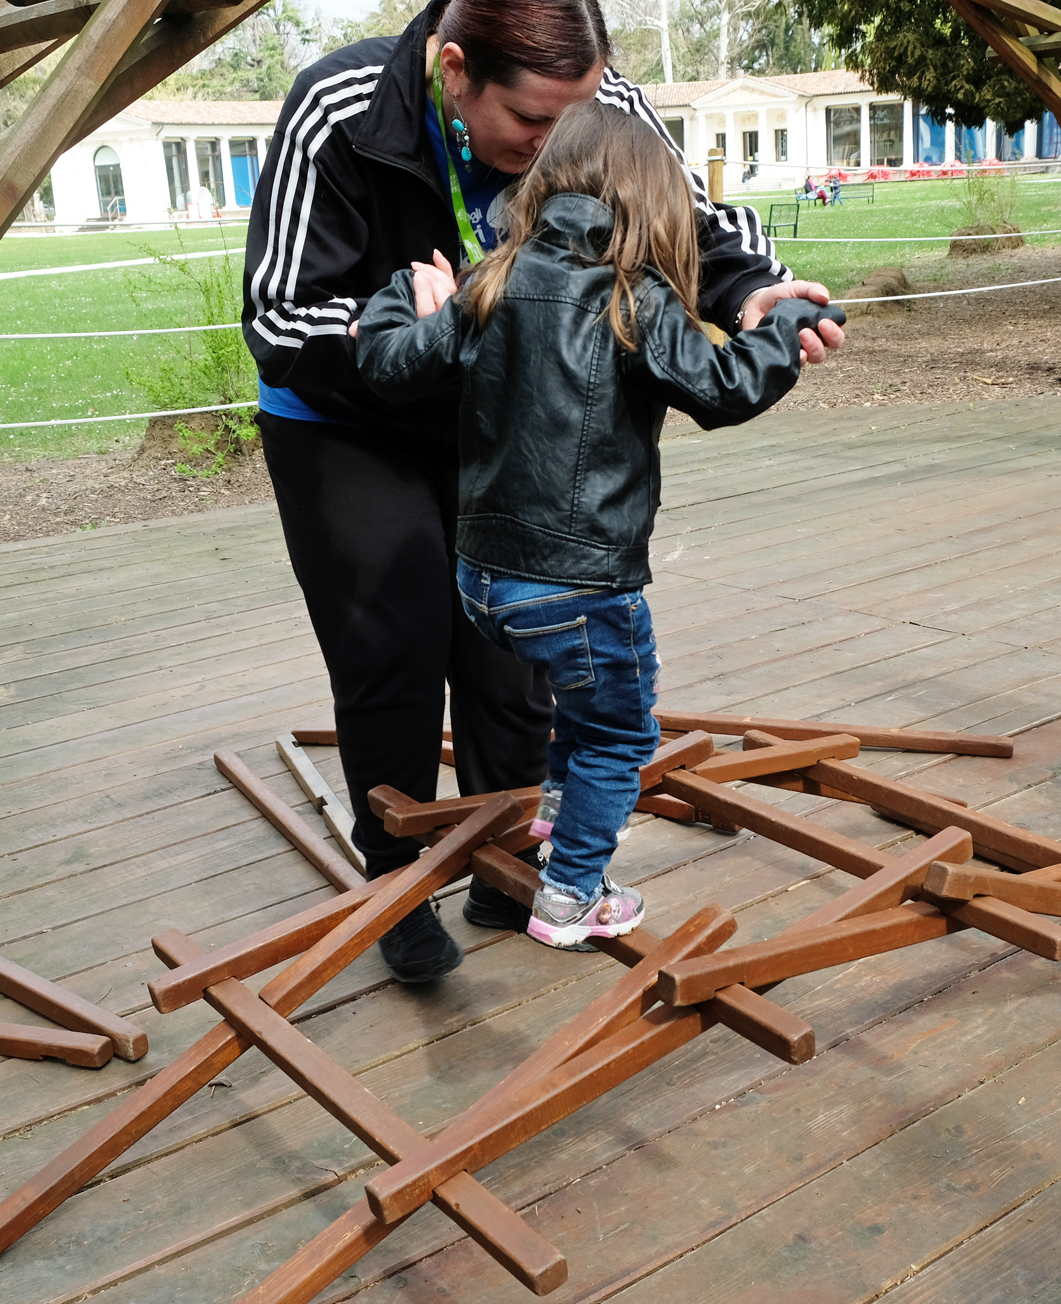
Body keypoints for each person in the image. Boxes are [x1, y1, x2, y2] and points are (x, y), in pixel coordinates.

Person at [243, 0, 844, 981]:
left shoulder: (594, 93)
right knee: (394, 640)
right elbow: (283, 314)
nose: (555, 142)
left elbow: (685, 213)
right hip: (353, 414)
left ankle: (510, 859)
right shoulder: (340, 106)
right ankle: (397, 880)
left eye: (574, 119)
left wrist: (753, 295)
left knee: (514, 652)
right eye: (531, 125)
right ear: (454, 72)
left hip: (500, 404)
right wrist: (399, 323)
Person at [354, 103, 842, 947]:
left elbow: (389, 363)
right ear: (654, 204)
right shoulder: (636, 300)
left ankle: (555, 809)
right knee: (622, 726)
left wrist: (402, 297)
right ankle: (573, 893)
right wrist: (785, 324)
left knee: (577, 703)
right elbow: (725, 389)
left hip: (482, 581)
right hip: (581, 583)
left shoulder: (488, 283)